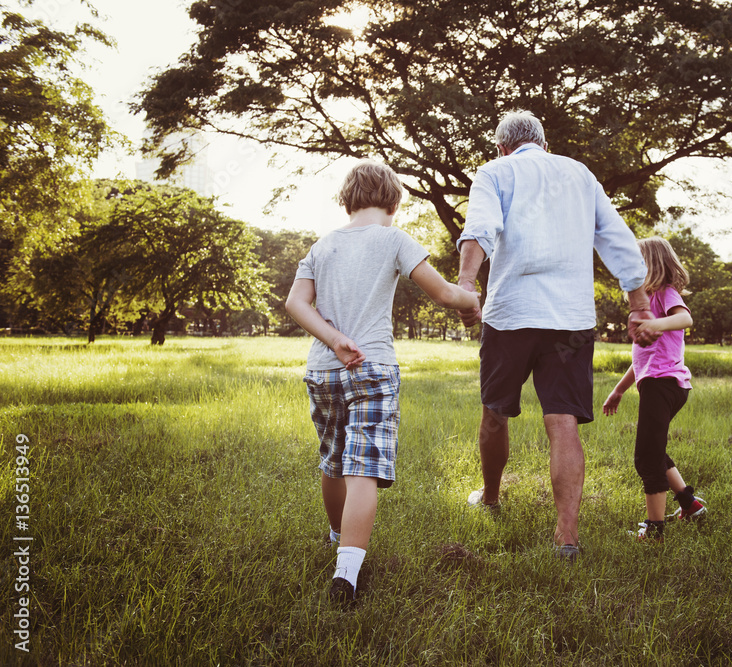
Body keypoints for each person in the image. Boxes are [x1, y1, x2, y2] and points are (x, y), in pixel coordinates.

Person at [456, 110, 657, 560]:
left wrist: (467, 286)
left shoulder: (494, 171)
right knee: (563, 421)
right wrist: (639, 304)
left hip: (510, 317)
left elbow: (480, 229)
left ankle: (490, 497)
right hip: (570, 320)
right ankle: (567, 537)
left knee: (495, 412)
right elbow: (617, 238)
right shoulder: (580, 174)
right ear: (545, 144)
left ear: (502, 147)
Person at [286, 159, 480, 604]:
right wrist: (472, 300)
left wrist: (335, 340)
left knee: (334, 460)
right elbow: (445, 293)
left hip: (323, 369)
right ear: (393, 201)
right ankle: (347, 575)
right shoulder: (394, 238)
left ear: (347, 200)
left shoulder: (324, 244)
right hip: (372, 367)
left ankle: (338, 537)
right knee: (363, 469)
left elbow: (296, 303)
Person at [602, 236, 706, 542]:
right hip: (658, 383)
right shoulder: (647, 301)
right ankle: (690, 505)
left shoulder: (664, 293)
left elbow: (685, 318)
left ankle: (655, 529)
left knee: (646, 458)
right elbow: (642, 361)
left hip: (665, 384)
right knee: (655, 451)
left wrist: (655, 324)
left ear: (650, 265)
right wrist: (619, 390)